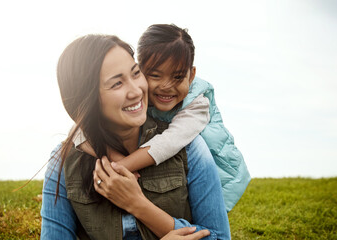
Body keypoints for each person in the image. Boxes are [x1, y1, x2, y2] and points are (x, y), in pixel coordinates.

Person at [40, 34, 230, 239]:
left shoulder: (189, 148)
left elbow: (219, 237)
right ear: (87, 98)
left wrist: (138, 204)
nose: (136, 91)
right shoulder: (63, 161)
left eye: (136, 73)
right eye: (116, 84)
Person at [75, 24, 250, 212]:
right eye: (156, 75)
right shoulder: (139, 94)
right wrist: (113, 158)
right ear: (140, 71)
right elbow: (80, 130)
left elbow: (168, 143)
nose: (166, 86)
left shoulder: (197, 104)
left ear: (191, 76)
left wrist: (120, 168)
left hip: (222, 174)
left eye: (177, 77)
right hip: (174, 176)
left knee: (202, 223)